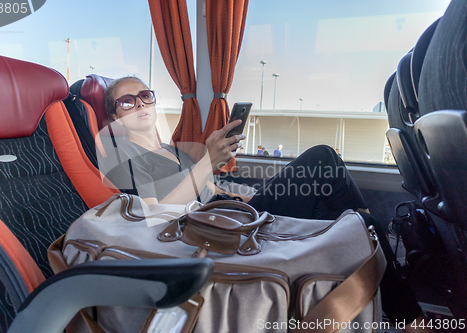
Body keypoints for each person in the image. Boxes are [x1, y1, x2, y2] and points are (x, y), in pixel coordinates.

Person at [102, 76, 431, 332]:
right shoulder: (125, 159)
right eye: (127, 101)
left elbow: (212, 191)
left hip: (233, 214)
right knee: (324, 161)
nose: (140, 103)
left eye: (146, 95)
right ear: (114, 115)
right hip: (211, 238)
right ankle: (411, 316)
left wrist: (251, 195)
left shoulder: (173, 152)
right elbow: (154, 219)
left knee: (350, 220)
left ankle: (388, 297)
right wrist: (207, 162)